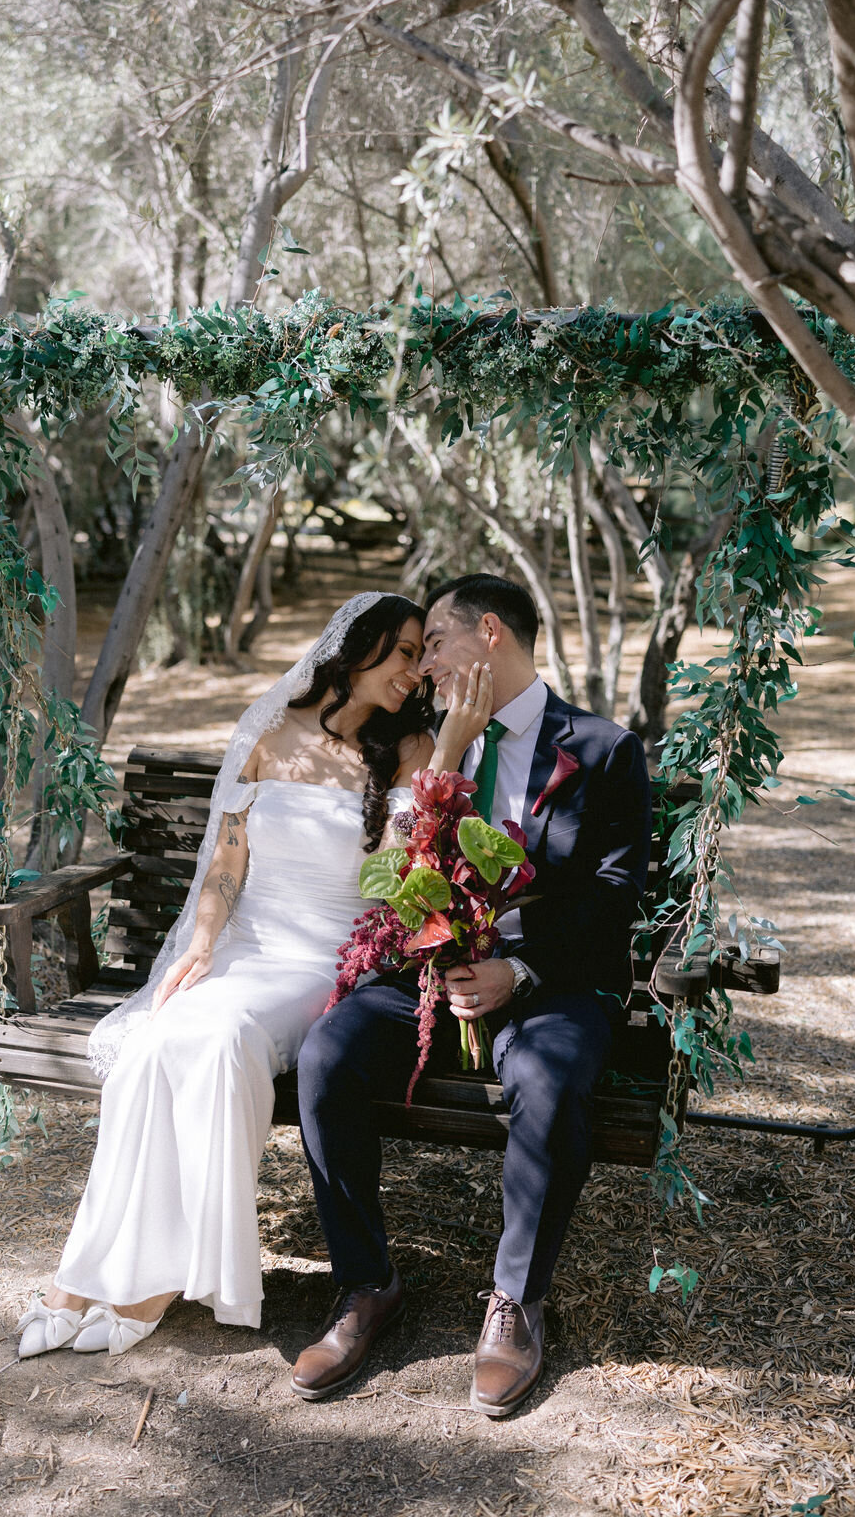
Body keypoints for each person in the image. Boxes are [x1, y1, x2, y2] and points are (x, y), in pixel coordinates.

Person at [15, 592, 463, 1358]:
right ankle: (81, 1278)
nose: (413, 669)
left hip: (324, 960)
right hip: (246, 945)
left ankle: (151, 1286)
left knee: (220, 1036)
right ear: (354, 650)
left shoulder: (416, 748)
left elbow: (415, 866)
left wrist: (452, 746)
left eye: (422, 654)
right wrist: (201, 944)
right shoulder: (269, 732)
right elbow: (227, 861)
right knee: (155, 1042)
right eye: (401, 651)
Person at [293, 573, 653, 1418]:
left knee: (547, 1079)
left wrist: (514, 970)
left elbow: (611, 900)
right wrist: (446, 759)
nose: (425, 668)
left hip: (551, 983)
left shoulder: (603, 750)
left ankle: (515, 1302)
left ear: (489, 633)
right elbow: (399, 869)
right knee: (325, 1056)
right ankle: (365, 1284)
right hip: (429, 974)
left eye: (438, 645)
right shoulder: (427, 741)